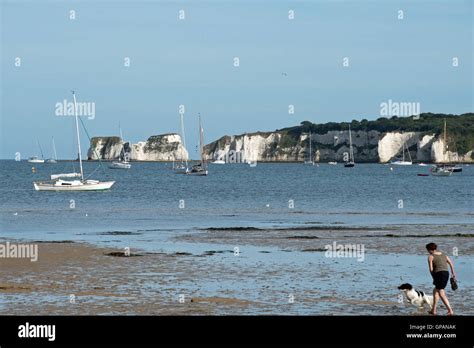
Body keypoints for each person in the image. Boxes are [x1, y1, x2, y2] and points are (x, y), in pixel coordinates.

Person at [426, 242, 456, 315]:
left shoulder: (431, 256)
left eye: (427, 250)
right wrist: (453, 273)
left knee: (441, 293)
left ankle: (450, 310)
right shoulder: (443, 254)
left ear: (429, 250)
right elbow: (451, 263)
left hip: (439, 274)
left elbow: (431, 269)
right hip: (446, 273)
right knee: (435, 291)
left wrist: (433, 277)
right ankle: (434, 310)